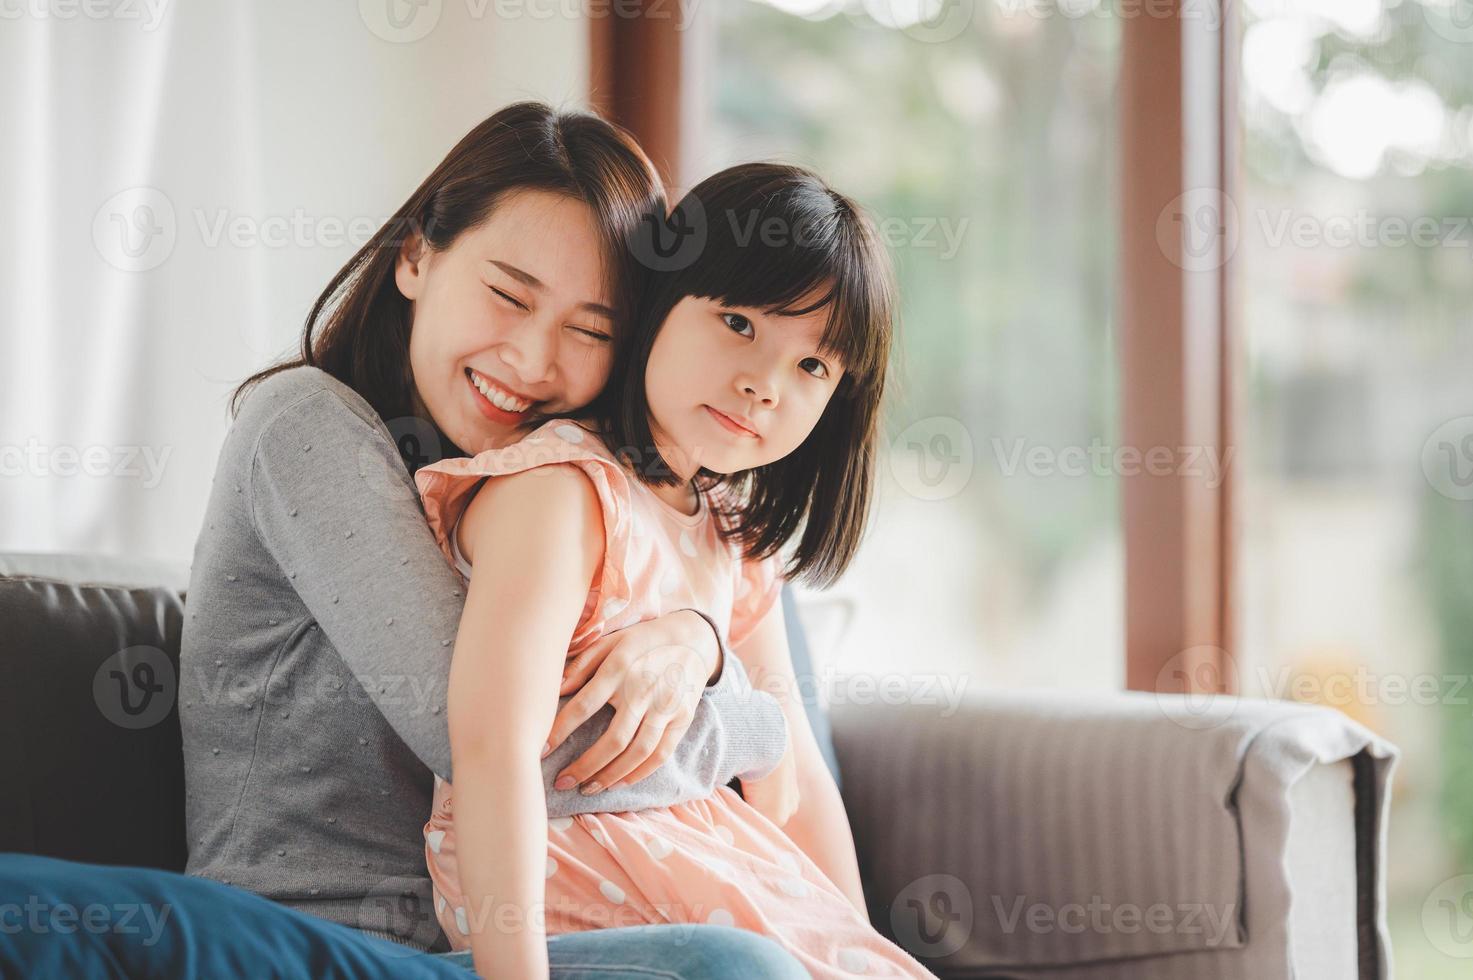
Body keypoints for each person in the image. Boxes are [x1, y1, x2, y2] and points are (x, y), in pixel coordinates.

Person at [180, 102, 804, 977]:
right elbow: (489, 742)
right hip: (316, 944)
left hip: (484, 946)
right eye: (507, 295)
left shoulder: (545, 490)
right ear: (415, 256)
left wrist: (695, 640)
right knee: (733, 970)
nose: (531, 360)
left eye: (590, 330)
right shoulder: (304, 428)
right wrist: (756, 726)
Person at [418, 163, 928, 979]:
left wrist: (857, 946)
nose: (762, 384)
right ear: (657, 303)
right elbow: (490, 748)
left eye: (813, 368)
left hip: (706, 876)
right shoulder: (563, 491)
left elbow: (792, 776)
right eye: (737, 321)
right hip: (572, 891)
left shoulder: (733, 539)